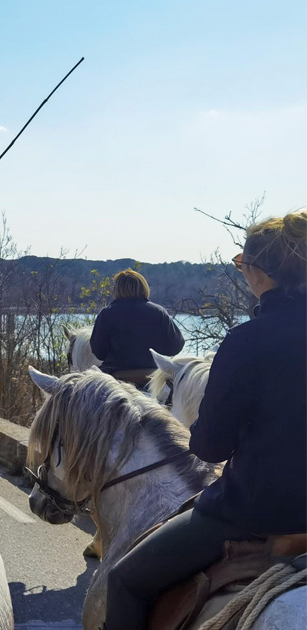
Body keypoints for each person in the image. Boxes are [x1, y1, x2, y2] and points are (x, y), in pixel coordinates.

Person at [104, 210, 307, 629]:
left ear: (260, 272)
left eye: (241, 263)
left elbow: (211, 447)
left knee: (124, 581)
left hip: (258, 514)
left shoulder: (248, 342)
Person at [89, 269, 184, 387]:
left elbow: (99, 352)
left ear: (117, 289)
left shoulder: (107, 313)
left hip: (117, 378)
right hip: (153, 378)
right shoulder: (159, 312)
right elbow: (175, 347)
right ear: (144, 287)